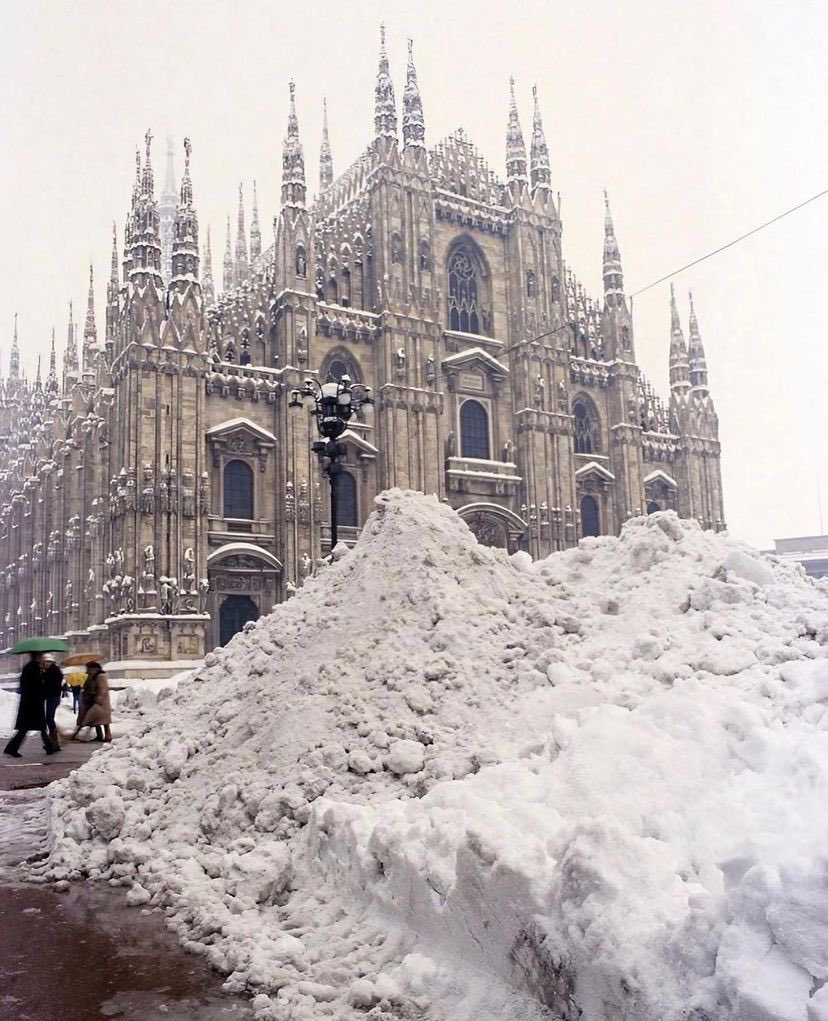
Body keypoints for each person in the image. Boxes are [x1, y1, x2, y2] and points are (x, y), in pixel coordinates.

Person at [3, 652, 60, 757]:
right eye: (40, 656)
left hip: (31, 703)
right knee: (33, 727)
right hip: (32, 704)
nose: (42, 658)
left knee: (32, 728)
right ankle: (49, 747)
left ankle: (49, 747)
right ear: (36, 657)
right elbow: (36, 686)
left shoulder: (31, 668)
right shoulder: (32, 668)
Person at [72, 661, 112, 743]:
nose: (87, 670)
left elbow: (103, 689)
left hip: (101, 703)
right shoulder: (93, 676)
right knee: (98, 720)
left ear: (94, 669)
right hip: (95, 701)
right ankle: (100, 735)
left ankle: (108, 736)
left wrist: (98, 699)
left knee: (103, 721)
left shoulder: (100, 676)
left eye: (89, 668)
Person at [42, 653, 64, 749]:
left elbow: (50, 684)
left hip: (52, 697)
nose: (43, 664)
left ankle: (54, 741)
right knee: (49, 718)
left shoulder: (52, 672)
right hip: (54, 697)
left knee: (49, 718)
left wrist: (43, 675)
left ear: (49, 662)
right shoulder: (53, 671)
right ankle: (53, 741)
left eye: (45, 662)